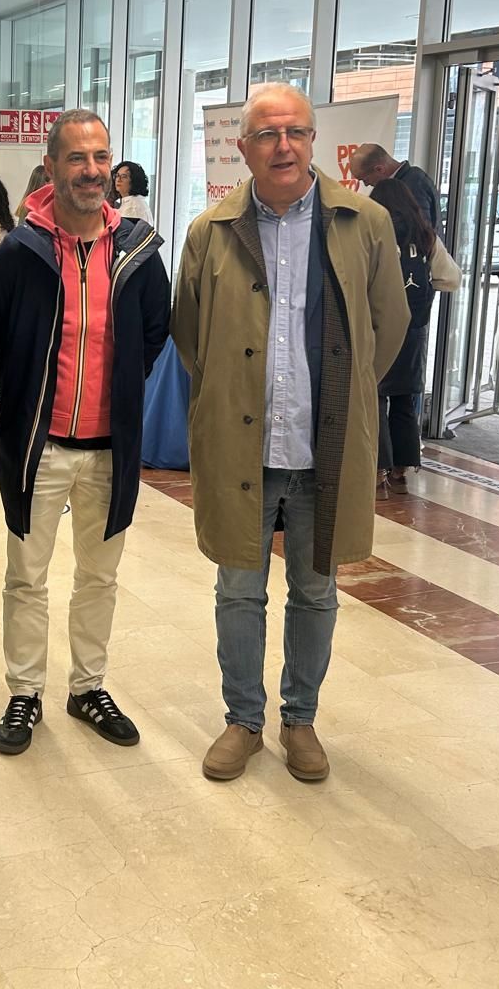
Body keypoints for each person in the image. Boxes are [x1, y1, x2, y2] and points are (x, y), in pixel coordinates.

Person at [173, 84, 408, 785]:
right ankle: (242, 719)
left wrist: (344, 393)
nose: (283, 146)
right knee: (238, 591)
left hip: (323, 446)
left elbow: (387, 329)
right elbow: (192, 333)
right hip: (241, 445)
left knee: (315, 591)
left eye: (296, 132)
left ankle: (299, 718)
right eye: (268, 135)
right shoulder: (209, 231)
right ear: (242, 149)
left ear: (312, 142)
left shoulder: (363, 223)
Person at [0, 109, 171, 755]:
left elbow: (152, 335)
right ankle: (24, 692)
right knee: (26, 577)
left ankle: (87, 686)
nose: (91, 170)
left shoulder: (138, 252)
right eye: (77, 158)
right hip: (39, 446)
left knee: (99, 577)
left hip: (109, 452)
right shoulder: (20, 251)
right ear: (52, 167)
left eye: (100, 157)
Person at [370, 177, 458, 497]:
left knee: (376, 398)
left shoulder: (374, 233)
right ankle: (402, 472)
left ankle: (377, 473)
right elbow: (450, 277)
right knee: (406, 399)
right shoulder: (426, 236)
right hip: (415, 329)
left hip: (379, 329)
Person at [353, 143, 439, 230]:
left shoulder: (415, 184)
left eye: (365, 179)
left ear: (379, 169)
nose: (366, 185)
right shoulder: (412, 180)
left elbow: (420, 233)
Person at [112, 161, 153, 225]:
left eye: (124, 176)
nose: (118, 179)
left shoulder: (134, 206)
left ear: (134, 180)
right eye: (117, 175)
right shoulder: (129, 202)